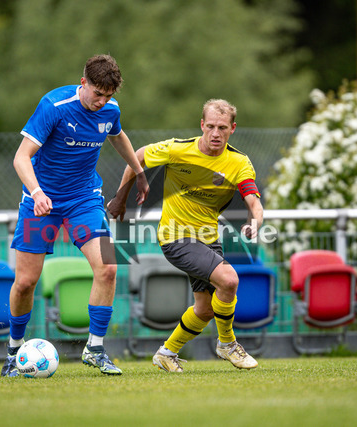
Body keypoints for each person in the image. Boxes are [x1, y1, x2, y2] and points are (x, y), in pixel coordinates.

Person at [3, 54, 149, 377]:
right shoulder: (54, 106)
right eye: (97, 93)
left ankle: (95, 349)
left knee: (109, 267)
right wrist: (37, 193)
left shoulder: (110, 110)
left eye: (109, 95)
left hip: (85, 199)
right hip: (40, 202)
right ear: (83, 82)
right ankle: (14, 350)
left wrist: (138, 171)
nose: (102, 101)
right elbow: (21, 158)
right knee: (25, 282)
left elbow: (117, 135)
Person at [107, 99, 263, 372]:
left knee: (205, 309)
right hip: (175, 237)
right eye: (211, 126)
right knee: (229, 279)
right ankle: (227, 344)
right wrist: (121, 197)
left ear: (233, 129)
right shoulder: (178, 150)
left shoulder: (239, 162)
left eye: (222, 128)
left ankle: (166, 353)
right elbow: (138, 156)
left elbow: (254, 201)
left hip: (208, 239)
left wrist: (255, 222)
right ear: (202, 125)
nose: (216, 133)